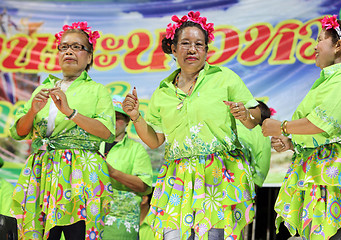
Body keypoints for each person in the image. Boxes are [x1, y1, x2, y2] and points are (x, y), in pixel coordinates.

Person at [123, 10, 262, 240]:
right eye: (185, 43)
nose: (192, 49)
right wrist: (136, 117)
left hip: (216, 174)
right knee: (173, 236)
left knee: (212, 237)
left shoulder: (224, 78)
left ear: (206, 51)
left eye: (199, 44)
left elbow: (255, 116)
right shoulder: (163, 91)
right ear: (174, 49)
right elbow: (155, 140)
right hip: (177, 176)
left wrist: (246, 114)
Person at [262, 15, 341, 239]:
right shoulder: (329, 80)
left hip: (338, 168)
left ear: (337, 46)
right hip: (323, 165)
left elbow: (324, 123)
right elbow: (318, 127)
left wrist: (283, 127)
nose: (314, 46)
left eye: (319, 39)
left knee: (329, 235)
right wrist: (290, 141)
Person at [9, 22, 115, 240]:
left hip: (81, 171)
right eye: (64, 47)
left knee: (78, 233)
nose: (69, 51)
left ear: (89, 56)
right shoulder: (42, 88)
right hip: (43, 169)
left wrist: (70, 112)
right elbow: (18, 133)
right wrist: (32, 111)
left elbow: (106, 132)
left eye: (77, 47)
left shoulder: (97, 90)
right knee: (41, 233)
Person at [101, 95, 153, 240]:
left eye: (118, 117)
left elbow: (144, 186)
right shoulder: (91, 146)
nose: (113, 121)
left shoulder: (136, 150)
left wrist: (113, 173)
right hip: (89, 221)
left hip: (121, 225)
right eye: (110, 116)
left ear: (127, 121)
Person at [237, 100, 272, 187]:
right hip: (242, 183)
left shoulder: (232, 124)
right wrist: (255, 184)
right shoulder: (263, 134)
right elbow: (263, 164)